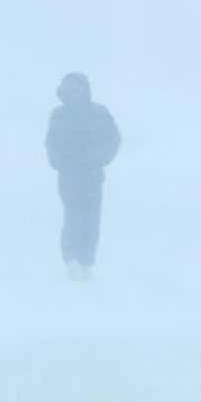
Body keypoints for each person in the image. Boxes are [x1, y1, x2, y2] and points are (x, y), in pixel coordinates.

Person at [45, 72, 120, 280]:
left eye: (78, 89)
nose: (75, 94)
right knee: (73, 215)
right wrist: (60, 163)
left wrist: (99, 158)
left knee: (92, 218)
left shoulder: (99, 113)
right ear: (65, 92)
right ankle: (71, 260)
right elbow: (51, 144)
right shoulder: (58, 115)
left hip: (93, 176)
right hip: (69, 176)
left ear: (85, 90)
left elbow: (113, 139)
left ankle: (87, 262)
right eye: (70, 90)